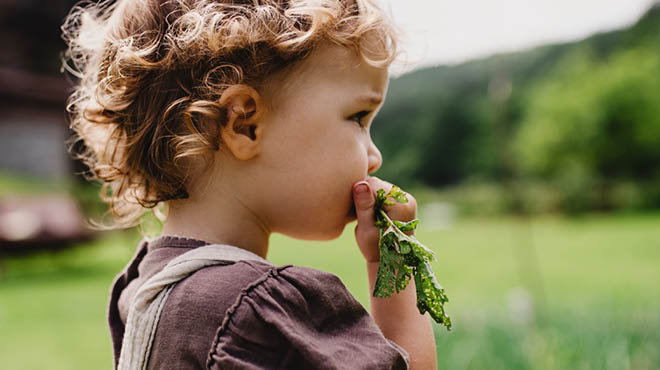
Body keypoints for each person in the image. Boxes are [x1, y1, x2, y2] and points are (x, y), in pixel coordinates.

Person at [62, 0, 437, 369]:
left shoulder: (142, 286)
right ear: (244, 124)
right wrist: (392, 261)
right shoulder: (258, 312)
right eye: (357, 117)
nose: (374, 157)